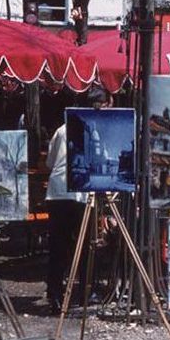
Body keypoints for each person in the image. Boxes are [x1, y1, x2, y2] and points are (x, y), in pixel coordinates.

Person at [44, 85, 111, 313]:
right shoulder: (94, 131)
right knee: (83, 244)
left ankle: (54, 294)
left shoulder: (62, 130)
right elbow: (100, 159)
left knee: (58, 245)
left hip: (57, 191)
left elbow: (50, 163)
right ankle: (84, 292)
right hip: (79, 193)